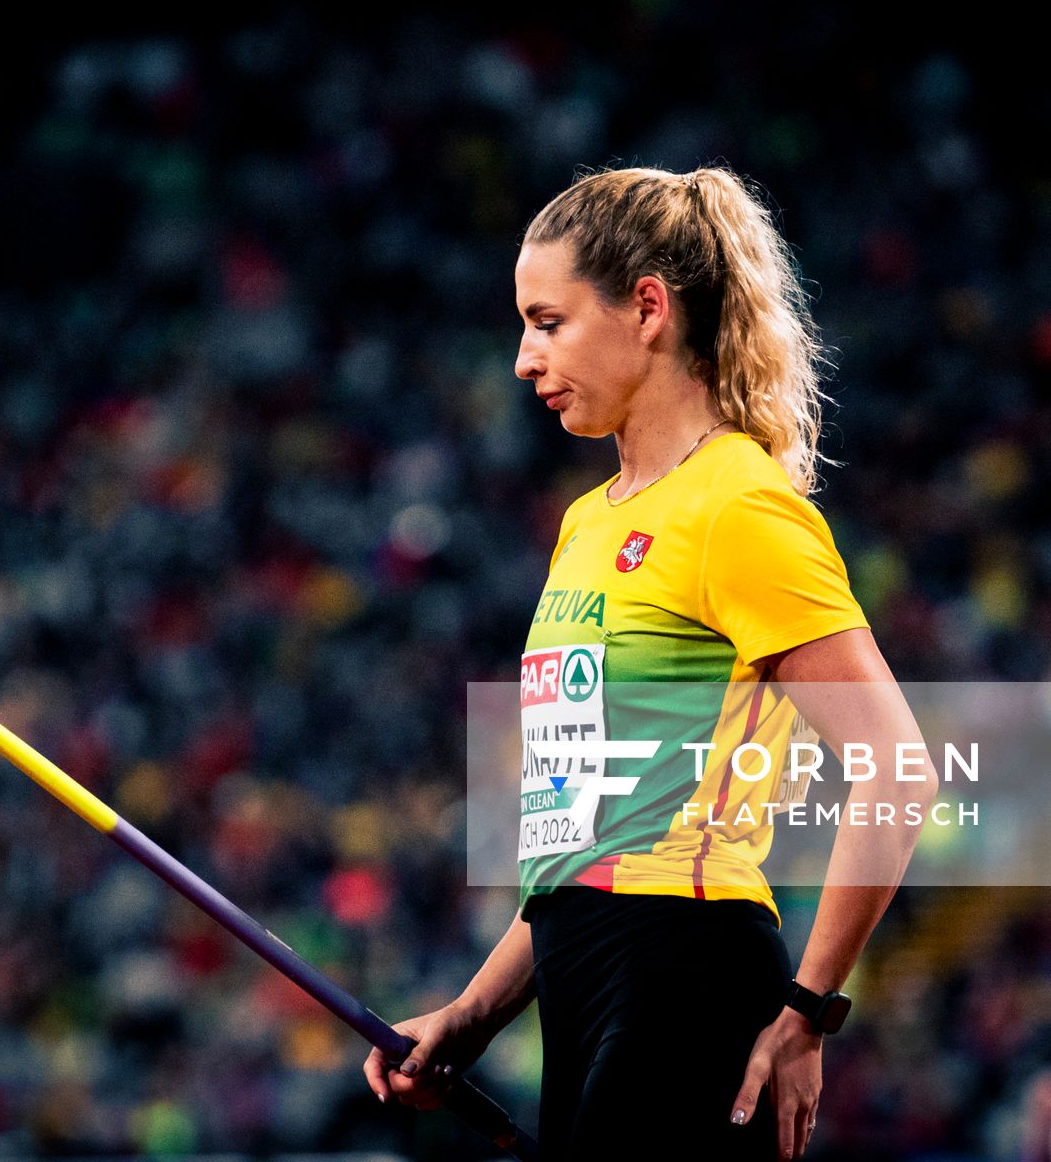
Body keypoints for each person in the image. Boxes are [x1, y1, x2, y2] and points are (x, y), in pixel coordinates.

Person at [362, 165, 938, 1160]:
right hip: (586, 981)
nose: (521, 358)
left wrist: (809, 1009)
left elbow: (899, 768)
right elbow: (583, 840)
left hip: (688, 971)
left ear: (647, 307)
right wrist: (476, 1008)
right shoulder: (589, 523)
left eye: (547, 321)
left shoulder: (736, 505)